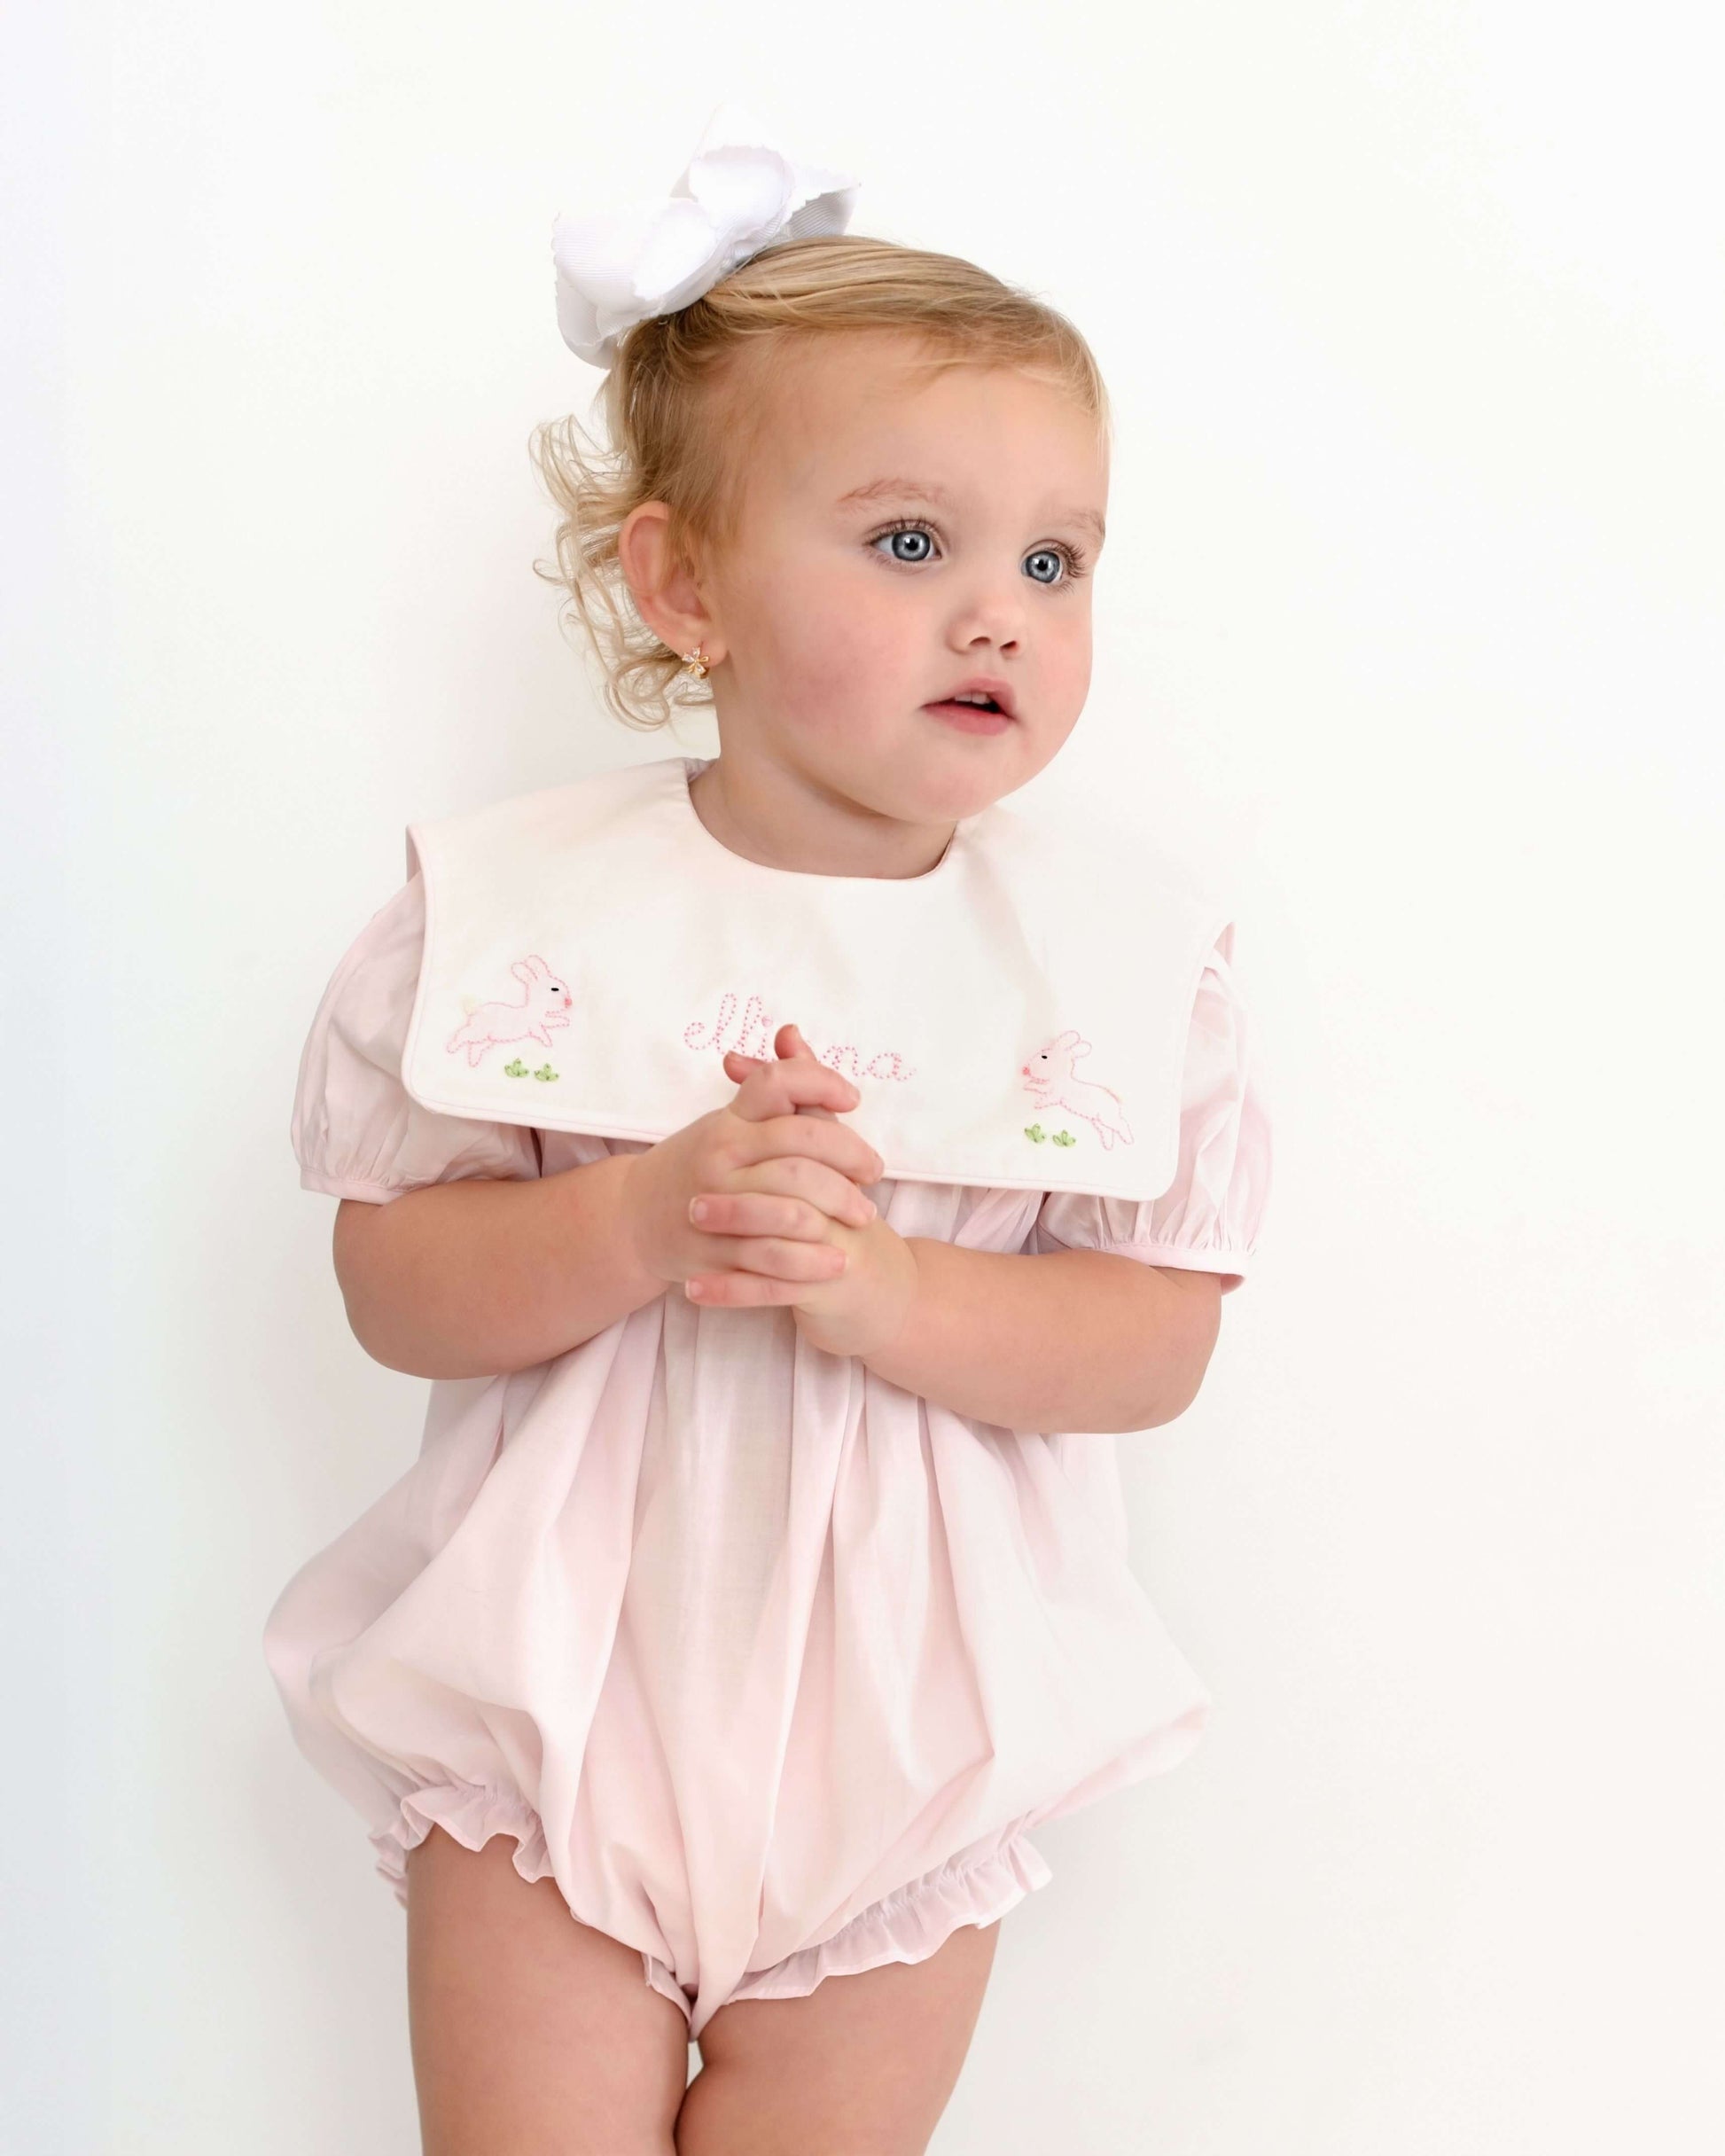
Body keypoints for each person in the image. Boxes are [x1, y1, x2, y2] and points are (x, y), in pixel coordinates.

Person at [263, 101, 1273, 2156]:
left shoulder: (1110, 964)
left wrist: (894, 1290)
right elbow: (395, 1284)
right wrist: (638, 1219)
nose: (998, 609)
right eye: (912, 544)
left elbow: (1153, 1340)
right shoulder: (528, 920)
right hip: (561, 1697)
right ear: (684, 582)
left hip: (906, 1730)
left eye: (1052, 559)